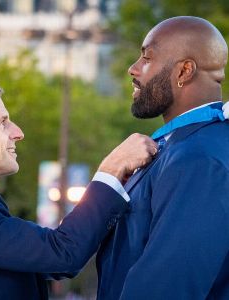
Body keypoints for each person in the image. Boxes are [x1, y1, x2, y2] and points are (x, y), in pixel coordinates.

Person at [0, 80, 157, 300]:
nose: (18, 132)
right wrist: (111, 170)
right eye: (2, 122)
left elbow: (45, 259)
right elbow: (63, 253)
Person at [96, 16, 229, 299]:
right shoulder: (180, 146)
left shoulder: (200, 158)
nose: (133, 69)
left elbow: (168, 288)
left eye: (147, 58)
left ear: (184, 72)